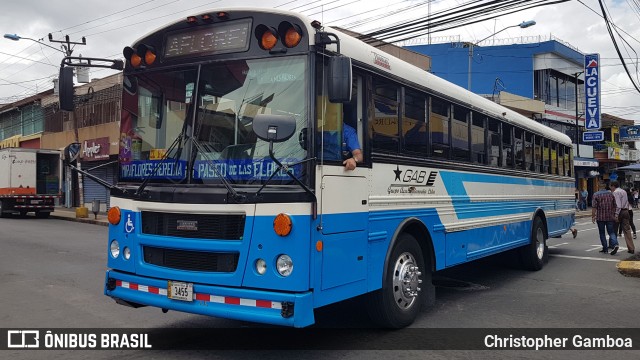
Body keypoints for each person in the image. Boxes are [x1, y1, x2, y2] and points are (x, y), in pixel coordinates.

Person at [591, 182, 619, 255]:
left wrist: (593, 216)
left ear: (599, 186)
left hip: (600, 217)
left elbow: (594, 207)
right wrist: (613, 214)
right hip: (610, 217)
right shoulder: (611, 194)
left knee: (602, 233)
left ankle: (605, 249)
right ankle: (615, 244)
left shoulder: (596, 194)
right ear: (606, 186)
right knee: (611, 232)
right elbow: (615, 205)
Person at [610, 181, 635, 254]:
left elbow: (618, 205)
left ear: (613, 186)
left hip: (619, 212)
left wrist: (616, 215)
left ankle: (614, 245)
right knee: (627, 230)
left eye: (611, 186)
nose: (611, 188)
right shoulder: (624, 191)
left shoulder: (615, 192)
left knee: (614, 230)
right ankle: (631, 248)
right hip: (626, 211)